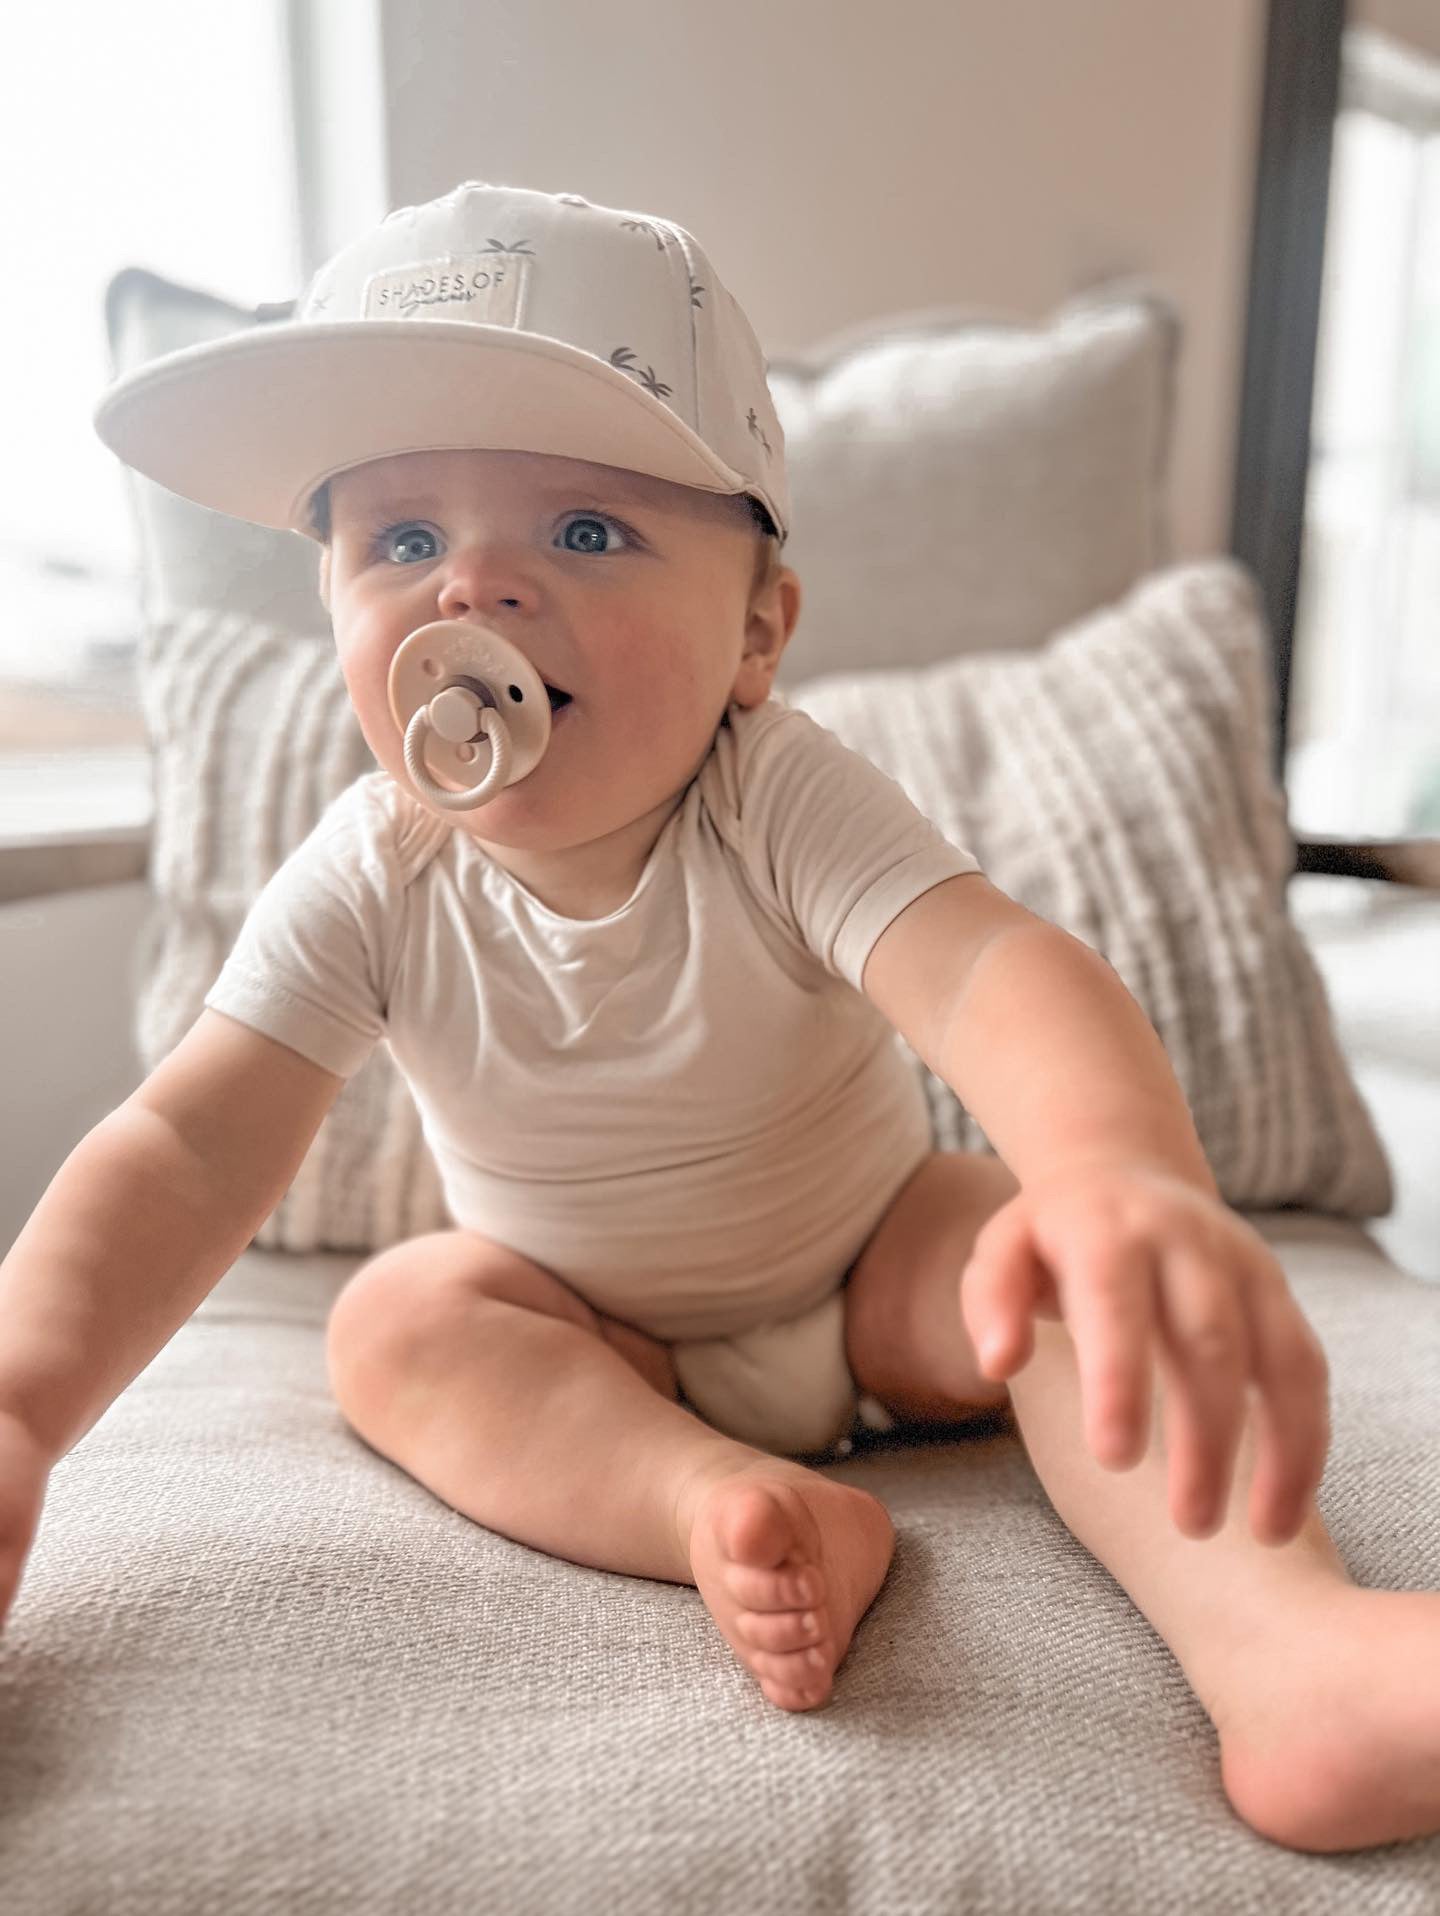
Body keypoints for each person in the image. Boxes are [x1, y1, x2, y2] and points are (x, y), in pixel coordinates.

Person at [2, 182, 1436, 1855]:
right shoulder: (373, 871)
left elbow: (984, 969)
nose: (475, 588)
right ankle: (721, 1505)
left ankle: (1285, 1655)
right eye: (400, 540)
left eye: (586, 532)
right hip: (587, 1330)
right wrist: (25, 1404)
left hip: (868, 1269)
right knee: (402, 1323)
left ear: (757, 632)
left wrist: (1126, 1182)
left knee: (1030, 1246)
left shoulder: (772, 801)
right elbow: (184, 1147)